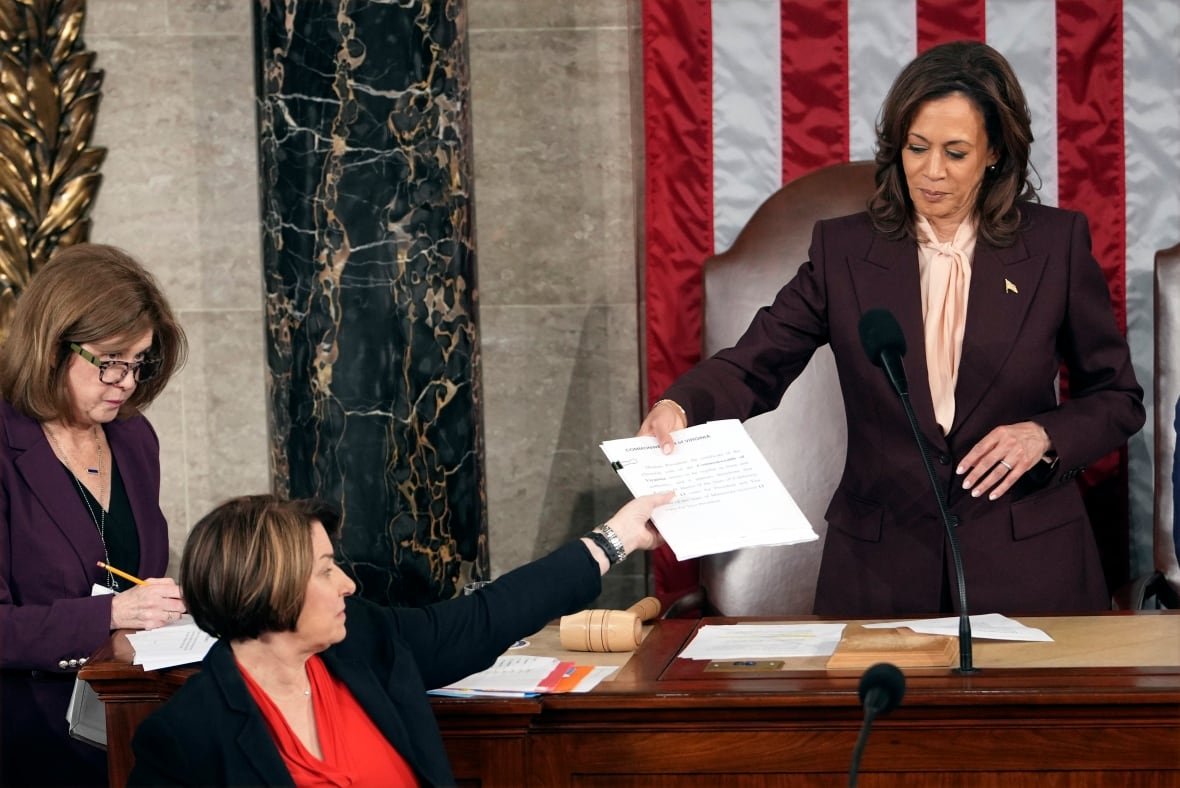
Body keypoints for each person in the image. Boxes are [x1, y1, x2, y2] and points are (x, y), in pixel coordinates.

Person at [640, 41, 1144, 618]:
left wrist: (1044, 435)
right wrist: (681, 405)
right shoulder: (847, 252)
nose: (931, 172)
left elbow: (1117, 399)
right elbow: (758, 359)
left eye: (955, 153)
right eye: (917, 148)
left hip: (1028, 563)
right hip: (880, 571)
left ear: (995, 153)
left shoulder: (1055, 246)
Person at [128, 491, 672, 786]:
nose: (347, 583)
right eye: (325, 571)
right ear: (268, 591)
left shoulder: (366, 639)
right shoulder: (184, 738)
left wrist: (615, 538)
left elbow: (487, 617)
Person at [0, 244, 188, 786]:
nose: (126, 381)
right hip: (29, 741)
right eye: (109, 361)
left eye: (139, 362)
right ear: (52, 347)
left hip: (132, 719)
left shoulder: (134, 437)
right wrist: (109, 614)